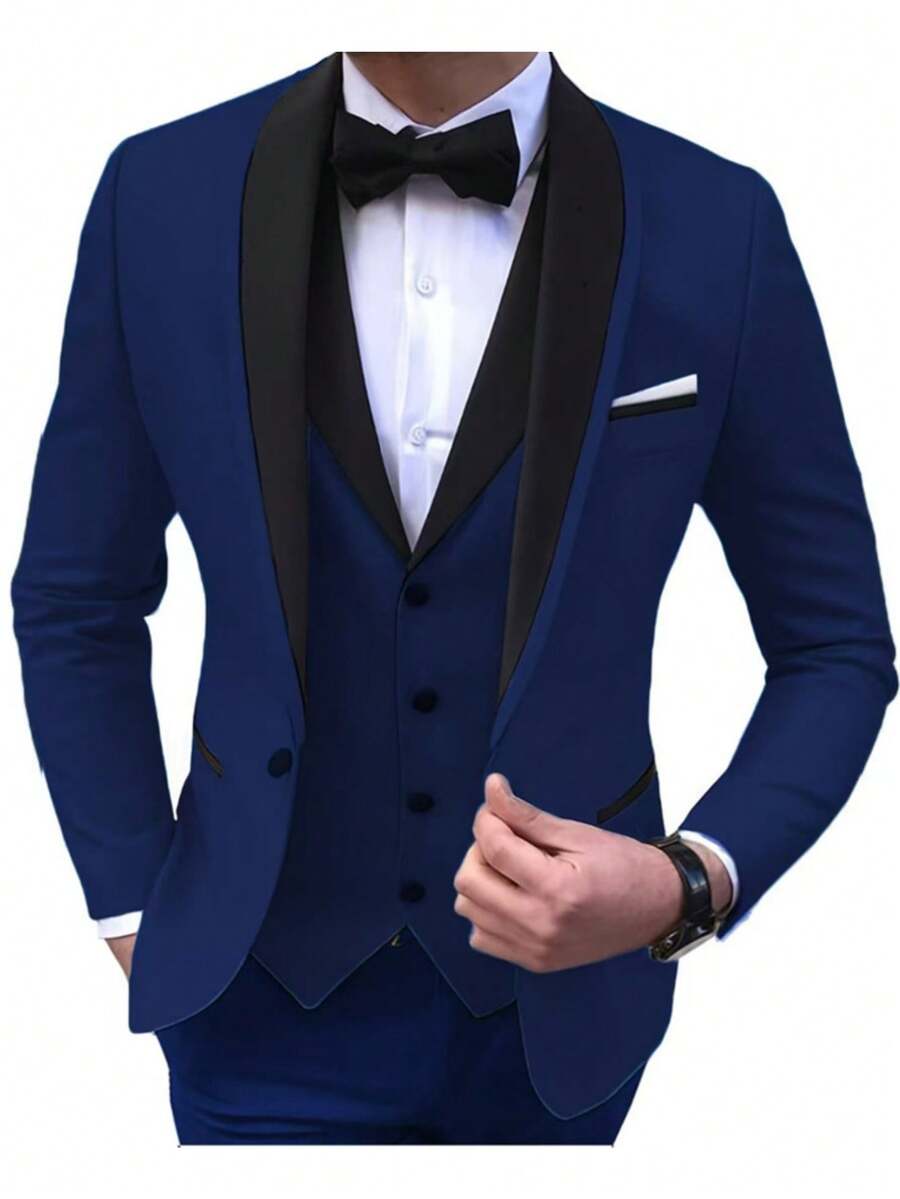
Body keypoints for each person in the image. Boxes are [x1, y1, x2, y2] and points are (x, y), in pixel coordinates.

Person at [12, 50, 895, 1145]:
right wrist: (134, 904)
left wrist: (687, 880)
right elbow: (75, 595)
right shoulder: (160, 194)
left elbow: (835, 642)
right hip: (252, 1000)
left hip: (565, 1021)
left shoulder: (719, 222)